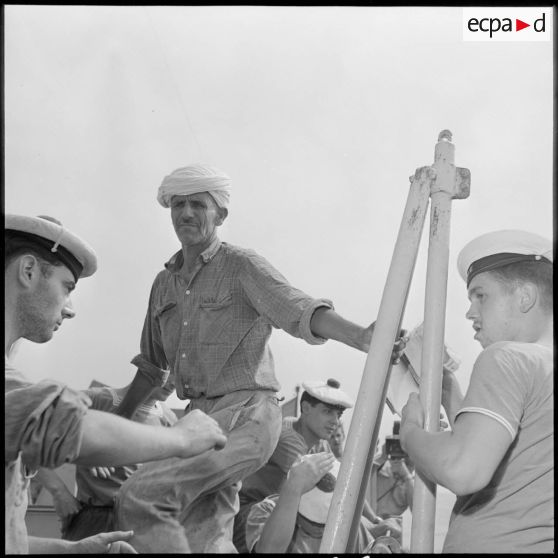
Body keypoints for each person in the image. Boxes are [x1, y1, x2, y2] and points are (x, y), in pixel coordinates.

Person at [113, 164, 408, 553]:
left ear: (221, 215)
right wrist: (115, 429)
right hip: (199, 420)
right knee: (204, 534)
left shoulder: (240, 266)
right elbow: (153, 369)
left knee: (142, 493)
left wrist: (362, 337)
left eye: (198, 204)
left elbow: (298, 309)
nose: (185, 213)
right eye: (178, 204)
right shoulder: (163, 284)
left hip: (247, 415)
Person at [5, 214, 227, 554]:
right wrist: (182, 438)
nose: (70, 309)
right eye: (67, 287)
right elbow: (56, 423)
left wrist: (71, 551)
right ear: (29, 271)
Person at [400, 229, 553, 553]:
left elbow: (463, 469)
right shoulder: (541, 367)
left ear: (525, 297)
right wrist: (449, 392)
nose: (470, 312)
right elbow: (507, 456)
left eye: (480, 295)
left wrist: (410, 433)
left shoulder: (507, 357)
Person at [32, 372, 177, 541]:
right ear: (148, 365)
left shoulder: (169, 420)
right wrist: (59, 492)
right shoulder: (96, 400)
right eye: (171, 371)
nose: (175, 382)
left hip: (144, 524)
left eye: (181, 371)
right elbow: (25, 433)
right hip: (94, 522)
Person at [233, 378, 352, 552]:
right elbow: (321, 488)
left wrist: (373, 520)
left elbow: (341, 482)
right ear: (305, 408)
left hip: (285, 509)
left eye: (338, 415)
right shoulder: (288, 439)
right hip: (253, 514)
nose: (335, 421)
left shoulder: (321, 444)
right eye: (327, 412)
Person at [245, 452, 400, 553]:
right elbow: (269, 550)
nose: (319, 530)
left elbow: (370, 543)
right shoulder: (266, 511)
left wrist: (380, 545)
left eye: (325, 524)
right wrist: (294, 486)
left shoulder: (345, 522)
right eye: (311, 521)